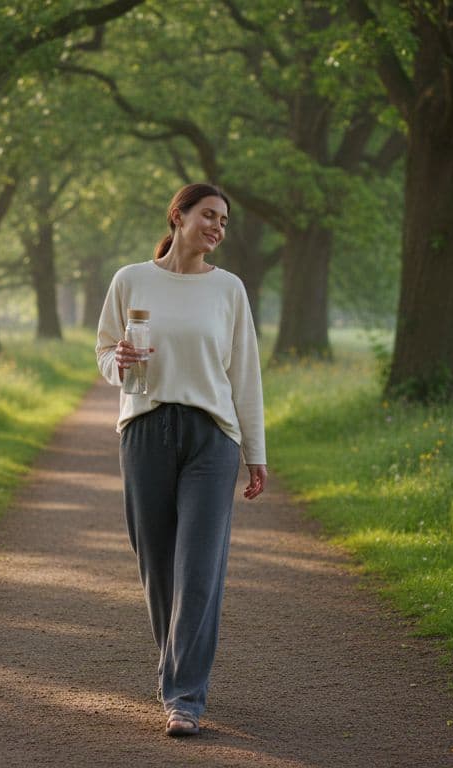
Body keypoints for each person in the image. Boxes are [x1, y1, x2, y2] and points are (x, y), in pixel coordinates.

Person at [96, 182, 267, 738]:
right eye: (209, 215)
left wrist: (255, 452)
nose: (218, 226)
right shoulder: (130, 280)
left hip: (211, 437)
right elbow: (104, 351)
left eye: (224, 220)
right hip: (145, 429)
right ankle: (177, 669)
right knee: (158, 564)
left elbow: (245, 374)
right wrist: (118, 362)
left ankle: (184, 696)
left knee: (199, 566)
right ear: (179, 216)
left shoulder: (229, 289)